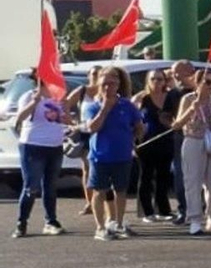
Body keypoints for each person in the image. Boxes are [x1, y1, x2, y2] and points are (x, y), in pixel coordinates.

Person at [82, 67, 143, 240]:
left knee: (121, 191)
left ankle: (119, 222)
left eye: (112, 83)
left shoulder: (127, 105)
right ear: (99, 85)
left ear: (118, 84)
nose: (109, 87)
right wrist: (106, 108)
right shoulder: (92, 106)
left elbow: (138, 126)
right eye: (105, 84)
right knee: (99, 192)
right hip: (100, 156)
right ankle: (100, 228)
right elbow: (92, 127)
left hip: (123, 155)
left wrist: (139, 130)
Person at [172, 69, 211, 234]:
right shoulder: (188, 99)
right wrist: (191, 109)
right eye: (208, 82)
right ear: (198, 82)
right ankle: (195, 219)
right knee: (193, 181)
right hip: (194, 139)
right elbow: (177, 124)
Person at [11, 78, 68, 238]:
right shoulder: (29, 96)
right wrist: (34, 102)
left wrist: (68, 111)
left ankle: (51, 221)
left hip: (55, 146)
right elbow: (20, 118)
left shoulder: (57, 97)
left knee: (50, 186)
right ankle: (21, 222)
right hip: (33, 146)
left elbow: (63, 119)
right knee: (31, 187)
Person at [132, 69, 176, 221]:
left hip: (166, 141)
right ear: (148, 81)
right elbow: (132, 120)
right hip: (146, 143)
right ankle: (147, 212)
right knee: (146, 177)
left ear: (165, 81)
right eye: (153, 79)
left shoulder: (170, 97)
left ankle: (163, 210)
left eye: (160, 79)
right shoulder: (141, 98)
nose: (157, 82)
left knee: (163, 177)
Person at [161, 60, 195, 225]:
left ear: (190, 72)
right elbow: (165, 115)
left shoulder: (205, 91)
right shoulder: (173, 94)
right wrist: (171, 124)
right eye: (173, 72)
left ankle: (205, 209)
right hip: (181, 138)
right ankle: (183, 209)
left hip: (202, 137)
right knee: (181, 176)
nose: (174, 75)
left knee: (204, 177)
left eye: (177, 72)